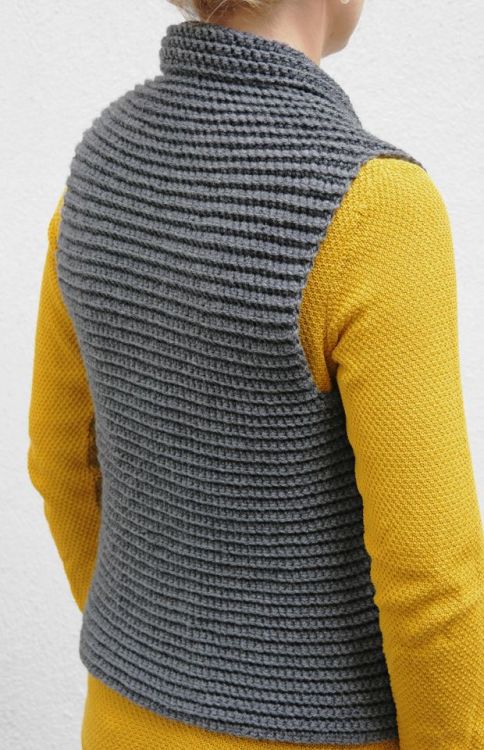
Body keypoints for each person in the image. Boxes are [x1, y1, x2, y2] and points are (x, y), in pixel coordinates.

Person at [27, 1, 484, 748]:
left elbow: (61, 461)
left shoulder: (101, 164)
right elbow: (430, 574)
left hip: (119, 720)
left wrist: (154, 654)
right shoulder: (376, 208)